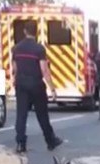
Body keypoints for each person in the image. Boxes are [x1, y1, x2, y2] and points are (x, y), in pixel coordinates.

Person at [11, 23, 63, 153]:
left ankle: (20, 143)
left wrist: (14, 81)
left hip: (21, 84)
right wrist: (52, 89)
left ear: (24, 31)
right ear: (36, 32)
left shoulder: (16, 48)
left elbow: (14, 68)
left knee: (21, 115)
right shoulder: (39, 49)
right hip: (36, 85)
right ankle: (50, 141)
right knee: (42, 115)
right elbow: (44, 70)